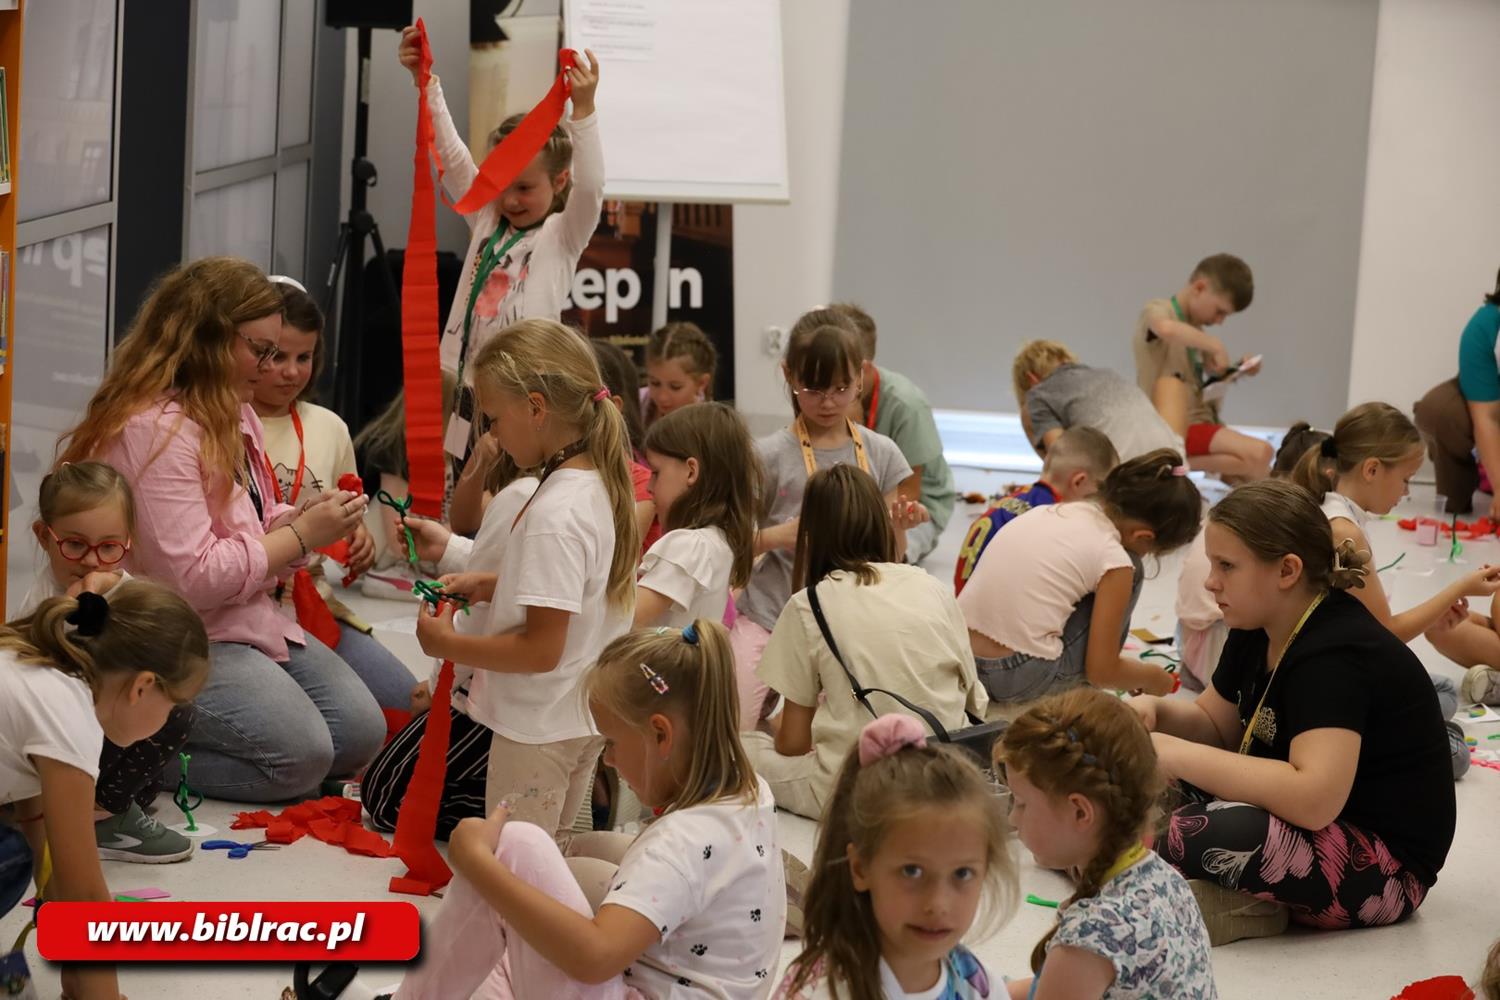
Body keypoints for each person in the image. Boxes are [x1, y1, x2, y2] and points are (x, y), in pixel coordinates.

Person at [58, 257, 380, 803]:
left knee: (359, 733)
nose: (272, 367)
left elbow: (252, 517)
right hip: (175, 634)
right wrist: (300, 535)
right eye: (261, 350)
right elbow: (190, 581)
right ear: (208, 339)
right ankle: (122, 756)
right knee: (302, 759)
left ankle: (143, 740)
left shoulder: (231, 404)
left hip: (241, 618)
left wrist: (299, 521)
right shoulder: (152, 430)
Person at [389, 621, 785, 999]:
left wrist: (477, 865)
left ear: (661, 735)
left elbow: (595, 957)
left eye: (611, 742)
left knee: (517, 847)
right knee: (505, 927)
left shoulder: (679, 842)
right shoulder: (750, 790)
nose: (608, 760)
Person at [1135, 481, 1456, 945]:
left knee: (1201, 830)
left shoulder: (1335, 651)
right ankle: (1237, 897)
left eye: (1226, 566)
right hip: (1298, 820)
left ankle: (1193, 883)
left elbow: (1313, 798)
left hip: (1382, 865)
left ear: (1287, 570)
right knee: (1121, 781)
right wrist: (1155, 715)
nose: (1210, 581)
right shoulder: (1255, 623)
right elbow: (1215, 727)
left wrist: (1171, 753)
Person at [415, 319, 638, 839]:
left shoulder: (554, 511)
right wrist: (495, 585)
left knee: (516, 866)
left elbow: (540, 650)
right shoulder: (594, 484)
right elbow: (579, 595)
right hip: (575, 716)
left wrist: (448, 645)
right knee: (550, 854)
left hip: (538, 726)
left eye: (495, 418)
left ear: (536, 409)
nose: (493, 434)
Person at [397, 27, 605, 474]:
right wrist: (426, 83)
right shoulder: (486, 218)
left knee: (511, 494)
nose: (510, 199)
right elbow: (453, 158)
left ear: (560, 181)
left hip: (526, 397)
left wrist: (584, 110)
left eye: (525, 188)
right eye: (501, 184)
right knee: (462, 492)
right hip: (465, 390)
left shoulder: (562, 235)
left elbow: (592, 188)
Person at [1, 584, 209, 1000]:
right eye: (173, 705)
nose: (170, 718)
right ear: (142, 687)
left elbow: (44, 843)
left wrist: (78, 979)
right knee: (10, 860)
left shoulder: (46, 671)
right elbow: (85, 896)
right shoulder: (70, 718)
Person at [746, 465, 986, 820]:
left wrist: (784, 728)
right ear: (880, 521)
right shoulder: (931, 586)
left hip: (858, 790)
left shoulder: (808, 604)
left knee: (745, 745)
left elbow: (793, 744)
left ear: (810, 534)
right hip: (945, 774)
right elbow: (975, 701)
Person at [734, 310, 924, 729]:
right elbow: (732, 543)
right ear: (788, 374)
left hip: (848, 621)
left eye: (840, 388)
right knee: (736, 720)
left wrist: (899, 525)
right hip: (771, 610)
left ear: (861, 377)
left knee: (835, 729)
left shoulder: (881, 453)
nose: (828, 402)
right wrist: (776, 536)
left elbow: (892, 559)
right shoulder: (766, 455)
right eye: (813, 389)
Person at [1287, 402, 1491, 777]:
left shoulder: (1334, 512)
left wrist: (1441, 610)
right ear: (1372, 469)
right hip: (1328, 684)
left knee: (1443, 691)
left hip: (1337, 667)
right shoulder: (1344, 532)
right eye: (1406, 479)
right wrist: (1459, 588)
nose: (1407, 491)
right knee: (1453, 747)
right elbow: (1386, 634)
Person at [18, 461, 195, 864]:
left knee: (166, 715)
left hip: (96, 736)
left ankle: (100, 805)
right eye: (75, 545)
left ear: (127, 542)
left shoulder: (122, 587)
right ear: (44, 537)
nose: (92, 562)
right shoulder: (43, 606)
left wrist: (113, 587)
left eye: (109, 548)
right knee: (176, 715)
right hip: (56, 742)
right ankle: (100, 819)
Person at [251, 276, 413, 710]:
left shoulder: (330, 427)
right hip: (247, 611)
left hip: (317, 605)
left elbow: (348, 515)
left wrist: (359, 539)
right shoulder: (222, 423)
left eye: (303, 357)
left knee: (408, 702)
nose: (291, 371)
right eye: (277, 356)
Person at [774, 714, 1016, 1000]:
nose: (938, 904)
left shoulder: (978, 986)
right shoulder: (819, 992)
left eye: (962, 873)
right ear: (860, 868)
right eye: (912, 871)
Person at [362, 447, 536, 840]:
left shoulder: (518, 497)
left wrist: (441, 683)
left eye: (492, 421)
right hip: (521, 691)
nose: (485, 437)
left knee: (386, 796)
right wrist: (450, 549)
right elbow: (508, 573)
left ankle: (523, 815)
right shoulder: (567, 489)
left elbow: (487, 615)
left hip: (503, 697)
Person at [996, 688, 1215, 999]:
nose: (1013, 819)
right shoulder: (1166, 878)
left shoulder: (1086, 941)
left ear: (1080, 812)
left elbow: (1066, 979)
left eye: (1020, 803)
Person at [958, 449, 1200, 704]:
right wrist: (1150, 677)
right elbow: (1101, 673)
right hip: (1015, 676)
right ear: (1143, 536)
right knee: (1132, 568)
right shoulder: (1115, 558)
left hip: (962, 656)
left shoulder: (1050, 511)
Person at [1174, 422, 1330, 691]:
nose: (1210, 581)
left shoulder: (1259, 502)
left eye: (1225, 565)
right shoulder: (1285, 516)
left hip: (1193, 642)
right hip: (1212, 644)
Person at [833, 302, 957, 563]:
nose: (828, 392)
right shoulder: (825, 397)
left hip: (916, 506)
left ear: (864, 369)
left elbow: (910, 491)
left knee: (882, 557)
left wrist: (857, 526)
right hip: (857, 501)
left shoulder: (907, 405)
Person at [1131, 254, 1272, 482]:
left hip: (1200, 421)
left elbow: (1206, 383)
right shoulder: (1158, 310)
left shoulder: (1196, 332)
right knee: (1261, 454)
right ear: (1199, 287)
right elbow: (1164, 328)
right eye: (1220, 311)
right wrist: (1214, 345)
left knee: (1260, 474)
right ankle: (1168, 464)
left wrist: (1236, 371)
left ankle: (1173, 465)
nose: (1219, 321)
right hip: (1174, 424)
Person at [635, 403, 760, 629]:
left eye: (656, 473)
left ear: (691, 471)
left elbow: (627, 618)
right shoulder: (717, 539)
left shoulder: (690, 545)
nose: (649, 487)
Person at [954, 427, 1118, 596]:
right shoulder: (1055, 518)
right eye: (1096, 497)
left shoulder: (1013, 498)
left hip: (963, 603)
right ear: (1078, 482)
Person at [1413, 268, 1500, 516]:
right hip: (1492, 410)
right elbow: (1487, 417)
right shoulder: (1485, 325)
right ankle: (1482, 472)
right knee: (1440, 410)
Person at [1012, 339, 1182, 463]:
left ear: (1031, 379)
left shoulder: (1038, 394)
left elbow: (1062, 459)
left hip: (1122, 474)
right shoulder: (1109, 374)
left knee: (1027, 414)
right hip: (1173, 463)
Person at [641, 321, 717, 428]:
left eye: (675, 387)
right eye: (655, 383)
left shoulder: (713, 427)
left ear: (701, 383)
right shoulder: (637, 402)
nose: (662, 397)